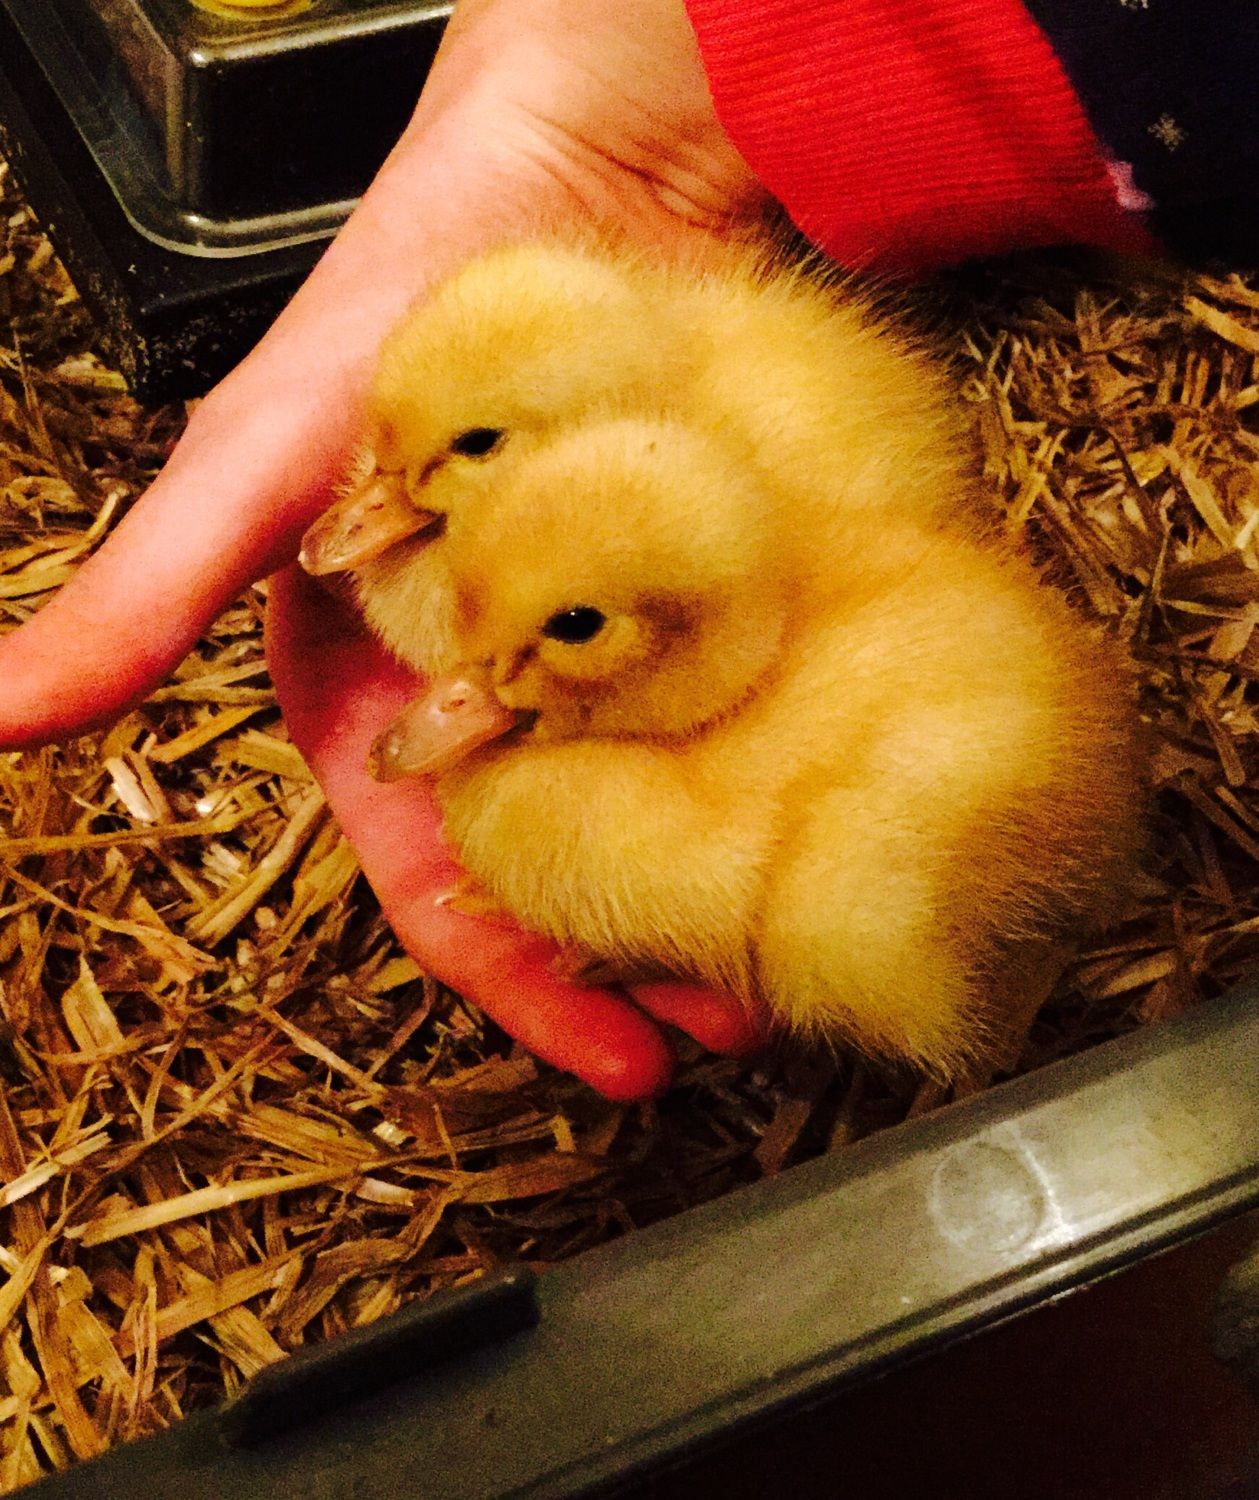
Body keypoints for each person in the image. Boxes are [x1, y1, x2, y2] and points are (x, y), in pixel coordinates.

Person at [0, 0, 1227, 1098]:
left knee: (857, 931)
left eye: (465, 453)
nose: (371, 505)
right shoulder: (625, 512)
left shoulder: (699, 607)